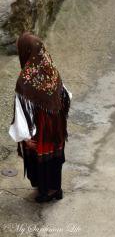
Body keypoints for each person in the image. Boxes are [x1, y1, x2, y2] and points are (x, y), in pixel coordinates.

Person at [9, 32, 72, 203]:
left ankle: (45, 192)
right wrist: (58, 116)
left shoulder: (25, 82)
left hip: (40, 127)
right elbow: (66, 95)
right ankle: (55, 188)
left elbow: (22, 113)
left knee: (41, 157)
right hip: (56, 124)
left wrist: (25, 136)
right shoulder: (51, 68)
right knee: (55, 156)